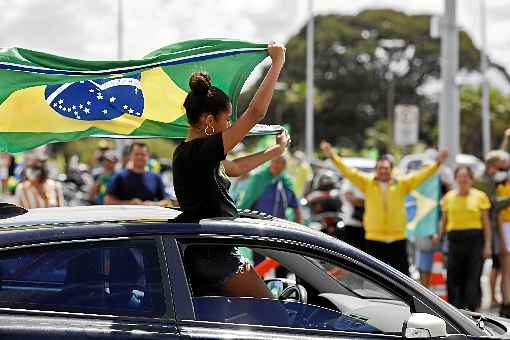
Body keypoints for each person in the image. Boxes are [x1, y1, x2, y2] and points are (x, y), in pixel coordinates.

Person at [172, 42, 287, 299]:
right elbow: (255, 113)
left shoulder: (189, 153)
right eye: (227, 119)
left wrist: (275, 152)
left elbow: (234, 168)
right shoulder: (201, 151)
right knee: (272, 312)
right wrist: (277, 61)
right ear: (209, 121)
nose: (231, 125)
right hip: (215, 255)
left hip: (209, 251)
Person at [320, 141, 448, 275]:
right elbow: (348, 171)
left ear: (391, 170)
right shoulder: (367, 183)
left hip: (397, 238)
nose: (383, 171)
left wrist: (437, 163)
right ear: (376, 170)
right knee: (374, 279)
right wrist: (332, 156)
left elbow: (421, 176)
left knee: (402, 277)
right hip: (375, 238)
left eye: (386, 168)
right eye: (380, 168)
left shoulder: (402, 184)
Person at [439, 166, 491, 311]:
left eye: (466, 176)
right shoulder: (448, 197)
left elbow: (486, 223)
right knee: (454, 277)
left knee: (473, 275)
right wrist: (439, 237)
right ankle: (455, 311)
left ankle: (473, 310)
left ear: (471, 179)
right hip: (455, 241)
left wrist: (487, 245)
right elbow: (443, 221)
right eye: (460, 176)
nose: (463, 180)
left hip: (475, 240)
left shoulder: (480, 196)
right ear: (456, 179)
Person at [474, 150, 510, 315]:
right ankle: (477, 306)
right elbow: (495, 205)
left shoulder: (488, 179)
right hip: (483, 228)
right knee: (482, 267)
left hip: (489, 228)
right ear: (492, 166)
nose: (503, 170)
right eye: (500, 166)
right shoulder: (484, 181)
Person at [238, 154, 303, 224]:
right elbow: (247, 201)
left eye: (278, 162)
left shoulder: (286, 182)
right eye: (273, 161)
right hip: (258, 224)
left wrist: (299, 226)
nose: (275, 164)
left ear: (284, 166)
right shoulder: (259, 178)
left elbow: (296, 207)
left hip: (279, 225)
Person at [104, 142, 170, 206]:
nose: (139, 157)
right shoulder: (119, 176)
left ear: (148, 156)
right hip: (126, 216)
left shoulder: (155, 177)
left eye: (143, 154)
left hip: (149, 217)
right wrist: (129, 203)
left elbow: (166, 201)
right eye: (136, 154)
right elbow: (107, 201)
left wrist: (152, 204)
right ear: (130, 156)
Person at [340, 178, 366, 251]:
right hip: (352, 223)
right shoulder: (350, 180)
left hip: (368, 225)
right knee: (350, 251)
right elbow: (349, 197)